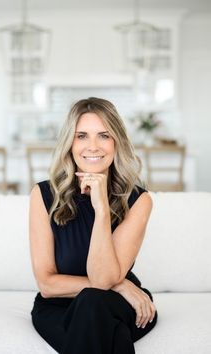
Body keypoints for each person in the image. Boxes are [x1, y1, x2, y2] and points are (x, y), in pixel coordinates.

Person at [29, 97, 158, 354]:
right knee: (106, 325)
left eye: (104, 135)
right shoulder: (43, 195)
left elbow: (102, 280)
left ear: (116, 142)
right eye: (82, 136)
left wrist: (101, 209)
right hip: (61, 306)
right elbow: (47, 284)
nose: (93, 146)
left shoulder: (139, 201)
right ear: (70, 143)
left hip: (115, 304)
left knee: (93, 303)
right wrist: (121, 284)